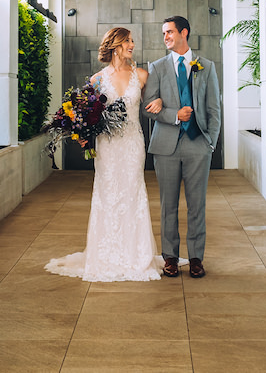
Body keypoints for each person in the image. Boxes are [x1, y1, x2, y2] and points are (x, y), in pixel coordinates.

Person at [45, 27, 165, 282]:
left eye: (132, 40)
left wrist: (161, 102)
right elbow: (84, 114)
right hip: (107, 146)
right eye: (127, 41)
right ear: (115, 45)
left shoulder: (142, 75)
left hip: (133, 144)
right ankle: (106, 255)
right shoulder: (97, 80)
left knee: (133, 193)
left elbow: (153, 104)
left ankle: (137, 256)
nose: (132, 44)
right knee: (108, 194)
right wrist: (82, 133)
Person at [142, 15, 221, 278]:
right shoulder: (157, 67)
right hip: (166, 146)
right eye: (163, 33)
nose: (165, 37)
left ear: (184, 32)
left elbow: (213, 109)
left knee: (197, 204)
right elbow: (150, 107)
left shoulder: (206, 67)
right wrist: (175, 114)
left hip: (198, 145)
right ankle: (171, 258)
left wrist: (210, 141)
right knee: (169, 205)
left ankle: (197, 258)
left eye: (169, 32)